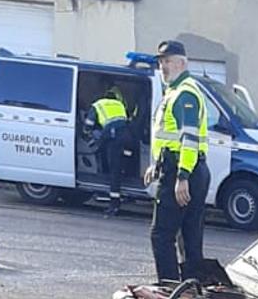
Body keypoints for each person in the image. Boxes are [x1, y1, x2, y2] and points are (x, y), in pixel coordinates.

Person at [146, 40, 210, 282]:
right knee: (190, 236)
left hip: (183, 170)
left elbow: (189, 138)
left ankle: (169, 289)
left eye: (168, 61)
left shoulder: (185, 93)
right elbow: (169, 137)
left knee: (161, 235)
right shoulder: (176, 91)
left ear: (182, 63)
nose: (163, 66)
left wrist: (182, 175)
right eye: (161, 62)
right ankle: (191, 290)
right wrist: (156, 164)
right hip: (183, 167)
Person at [84, 86, 132, 216]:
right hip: (126, 136)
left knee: (114, 171)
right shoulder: (120, 104)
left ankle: (114, 204)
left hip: (113, 136)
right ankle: (124, 169)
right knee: (125, 156)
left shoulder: (98, 104)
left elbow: (88, 124)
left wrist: (89, 135)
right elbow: (126, 119)